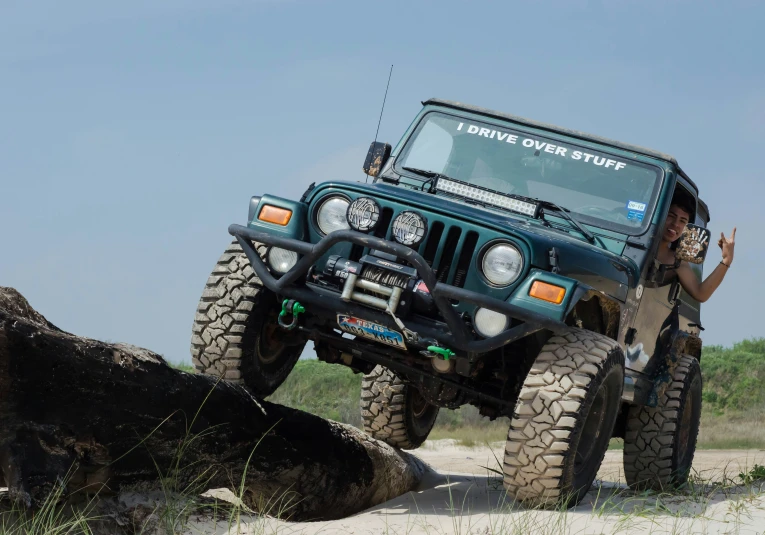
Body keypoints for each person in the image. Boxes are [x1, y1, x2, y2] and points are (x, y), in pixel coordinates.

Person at [655, 194, 736, 303]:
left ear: (687, 229)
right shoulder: (634, 235)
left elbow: (700, 294)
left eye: (682, 221)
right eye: (671, 216)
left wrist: (727, 259)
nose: (675, 224)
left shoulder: (676, 260)